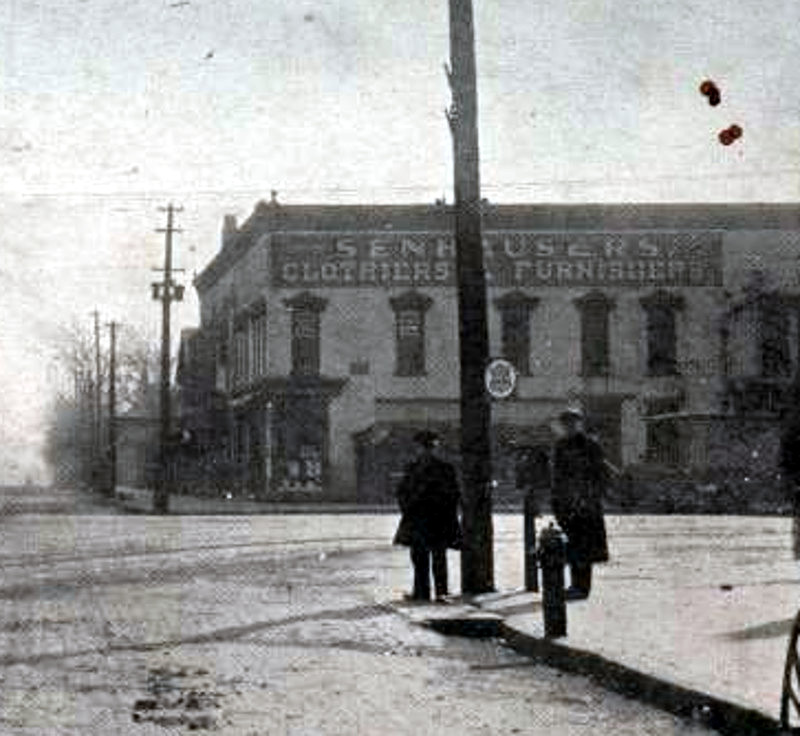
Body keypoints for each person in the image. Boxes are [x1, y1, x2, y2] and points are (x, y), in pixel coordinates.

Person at [393, 430, 462, 602]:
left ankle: (434, 592)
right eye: (424, 448)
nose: (425, 451)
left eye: (427, 448)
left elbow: (452, 495)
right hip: (426, 518)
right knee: (423, 557)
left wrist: (408, 506)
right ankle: (429, 592)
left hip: (430, 518)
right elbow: (402, 491)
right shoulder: (423, 468)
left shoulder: (440, 469)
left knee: (432, 557)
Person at [551, 408, 609, 600]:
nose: (569, 427)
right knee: (574, 546)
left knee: (584, 547)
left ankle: (582, 587)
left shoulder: (591, 446)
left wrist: (590, 497)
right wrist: (558, 502)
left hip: (586, 505)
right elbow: (557, 477)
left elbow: (601, 475)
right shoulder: (560, 446)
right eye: (566, 424)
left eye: (572, 423)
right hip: (568, 504)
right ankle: (576, 585)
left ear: (579, 424)